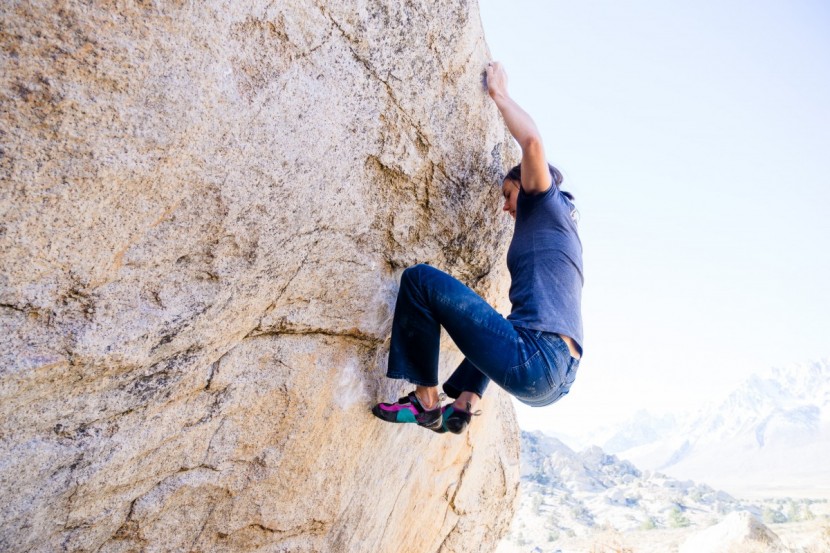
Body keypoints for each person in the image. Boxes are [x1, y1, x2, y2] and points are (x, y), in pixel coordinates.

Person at [372, 61, 583, 434]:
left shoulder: (544, 202)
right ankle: (465, 405)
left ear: (526, 182)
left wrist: (499, 94)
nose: (505, 207)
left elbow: (532, 142)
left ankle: (425, 401)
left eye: (508, 194)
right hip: (559, 378)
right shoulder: (563, 228)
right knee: (506, 325)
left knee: (420, 280)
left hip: (538, 360)